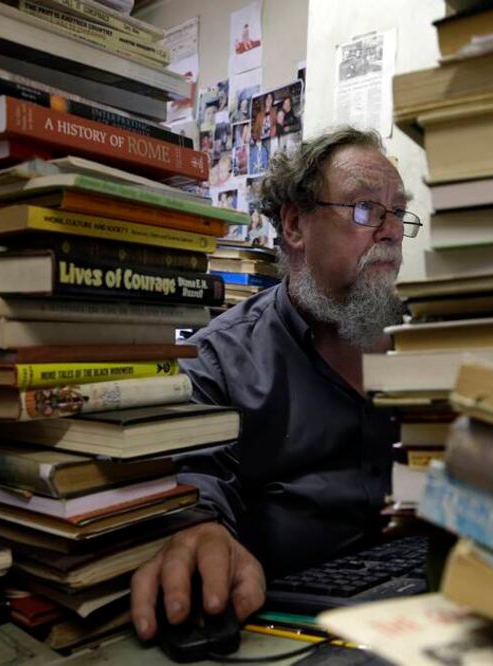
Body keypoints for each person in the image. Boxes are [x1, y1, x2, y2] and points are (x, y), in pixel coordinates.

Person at [131, 127, 420, 640]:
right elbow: (195, 483)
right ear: (294, 225)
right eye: (364, 209)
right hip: (289, 631)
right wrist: (200, 531)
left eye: (398, 212)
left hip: (426, 609)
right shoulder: (221, 359)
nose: (391, 231)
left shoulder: (427, 348)